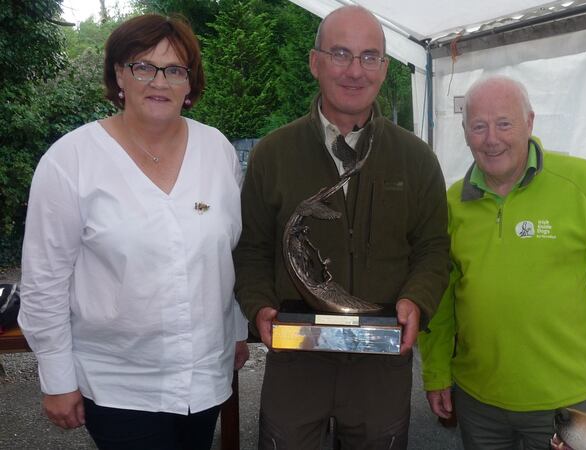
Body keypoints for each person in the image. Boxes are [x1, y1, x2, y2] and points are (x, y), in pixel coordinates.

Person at [19, 14, 249, 450]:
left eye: (175, 69)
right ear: (119, 74)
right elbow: (44, 281)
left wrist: (235, 332)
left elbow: (227, 255)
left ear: (189, 84)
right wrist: (57, 377)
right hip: (119, 384)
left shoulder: (217, 150)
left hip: (203, 376)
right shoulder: (71, 160)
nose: (159, 81)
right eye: (143, 66)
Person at [233, 5, 450, 449]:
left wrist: (417, 300)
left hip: (381, 357)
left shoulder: (416, 159)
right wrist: (259, 307)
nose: (356, 70)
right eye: (341, 54)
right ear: (315, 62)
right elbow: (252, 249)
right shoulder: (272, 155)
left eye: (370, 57)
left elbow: (433, 250)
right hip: (296, 356)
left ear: (385, 68)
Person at [418, 75, 586, 450]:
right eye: (479, 126)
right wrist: (437, 371)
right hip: (479, 399)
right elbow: (441, 300)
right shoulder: (454, 201)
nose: (492, 138)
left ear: (530, 122)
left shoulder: (583, 184)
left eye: (504, 123)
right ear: (465, 132)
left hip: (566, 400)